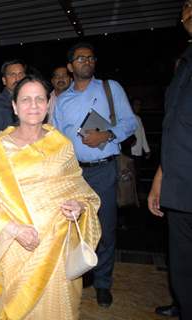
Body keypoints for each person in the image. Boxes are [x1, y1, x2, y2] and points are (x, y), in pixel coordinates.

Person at [0, 75, 101, 319]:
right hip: (16, 252)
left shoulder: (61, 145)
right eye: (25, 100)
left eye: (39, 99)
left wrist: (79, 207)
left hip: (58, 249)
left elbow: (83, 194)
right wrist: (13, 231)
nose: (33, 105)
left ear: (47, 105)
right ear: (14, 106)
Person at [53, 42, 137, 307]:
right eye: (79, 58)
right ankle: (77, 277)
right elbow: (55, 137)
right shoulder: (62, 100)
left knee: (105, 227)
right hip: (73, 173)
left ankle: (103, 283)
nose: (86, 61)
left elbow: (130, 122)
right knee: (74, 229)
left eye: (90, 58)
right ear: (70, 66)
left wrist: (107, 134)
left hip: (103, 170)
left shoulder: (110, 89)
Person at [148, 1, 192, 319]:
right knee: (182, 259)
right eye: (186, 7)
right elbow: (173, 128)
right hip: (178, 185)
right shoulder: (184, 64)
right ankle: (183, 304)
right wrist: (159, 179)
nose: (188, 12)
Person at [0, 59, 26, 136]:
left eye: (20, 74)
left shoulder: (29, 103)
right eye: (12, 75)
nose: (17, 79)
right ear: (4, 80)